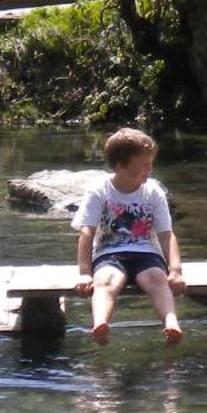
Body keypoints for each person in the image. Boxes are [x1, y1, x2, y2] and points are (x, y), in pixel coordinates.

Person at [74, 127, 186, 345]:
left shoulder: (153, 191)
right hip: (109, 253)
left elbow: (166, 234)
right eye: (143, 165)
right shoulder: (99, 190)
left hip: (146, 251)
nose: (149, 169)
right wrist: (84, 273)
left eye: (150, 163)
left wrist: (176, 270)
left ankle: (171, 322)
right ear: (120, 165)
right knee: (105, 280)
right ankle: (100, 323)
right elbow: (87, 232)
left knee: (156, 279)